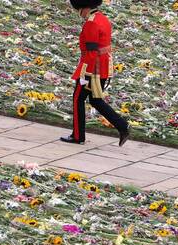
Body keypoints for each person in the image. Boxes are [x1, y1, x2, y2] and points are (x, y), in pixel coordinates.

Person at [60, 0, 129, 147]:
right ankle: (123, 126)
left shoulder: (91, 23)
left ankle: (78, 136)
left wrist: (85, 75)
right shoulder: (102, 18)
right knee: (95, 100)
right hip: (103, 66)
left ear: (84, 8)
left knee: (78, 98)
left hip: (92, 68)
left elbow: (91, 53)